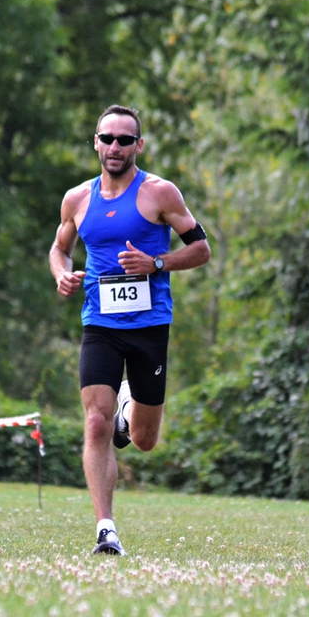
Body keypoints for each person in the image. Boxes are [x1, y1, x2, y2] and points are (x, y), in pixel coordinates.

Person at [49, 105, 211, 556]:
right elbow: (59, 248)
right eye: (107, 138)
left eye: (125, 139)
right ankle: (106, 529)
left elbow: (201, 249)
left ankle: (128, 410)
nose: (115, 147)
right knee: (95, 422)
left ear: (138, 145)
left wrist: (156, 262)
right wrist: (61, 273)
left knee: (143, 439)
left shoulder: (160, 193)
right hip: (99, 324)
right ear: (96, 142)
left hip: (149, 325)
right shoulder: (77, 199)